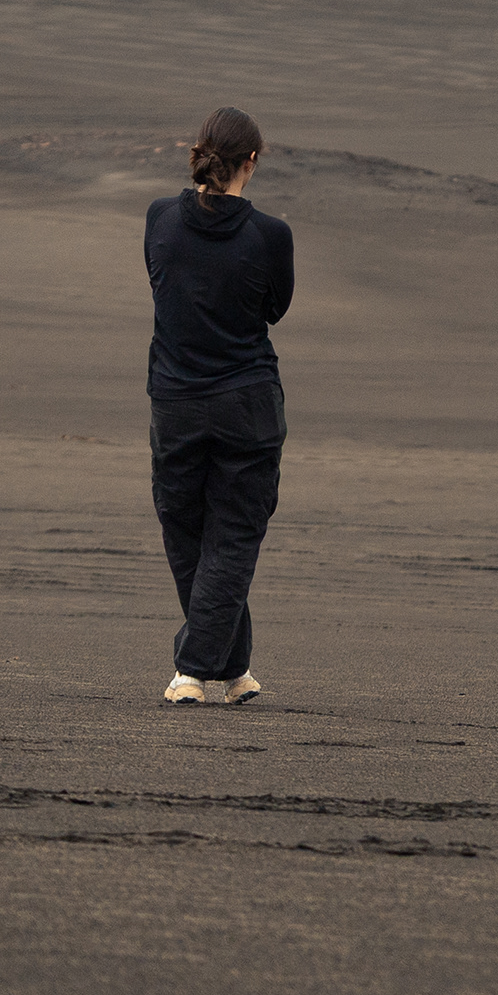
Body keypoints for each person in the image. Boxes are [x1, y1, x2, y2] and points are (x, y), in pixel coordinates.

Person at [145, 105, 293, 705]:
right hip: (246, 405)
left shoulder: (159, 218)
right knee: (230, 536)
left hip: (175, 402)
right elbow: (276, 308)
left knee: (189, 534)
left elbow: (164, 287)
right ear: (251, 161)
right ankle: (196, 670)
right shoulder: (269, 235)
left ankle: (230, 671)